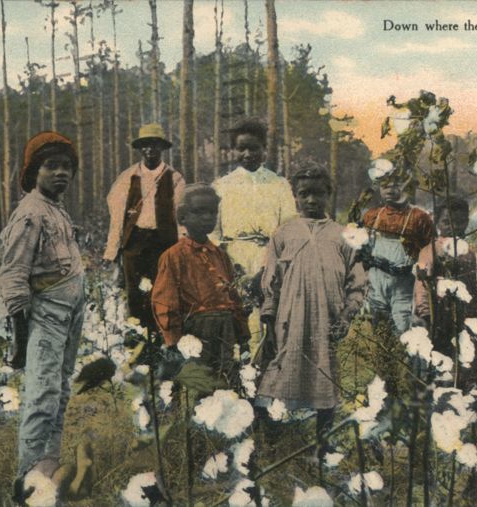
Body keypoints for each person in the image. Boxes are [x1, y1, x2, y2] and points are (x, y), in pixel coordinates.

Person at [255, 164, 366, 456]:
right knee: (279, 372)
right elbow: (271, 281)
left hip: (326, 321)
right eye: (305, 194)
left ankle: (323, 441)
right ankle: (272, 438)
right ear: (295, 196)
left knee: (325, 374)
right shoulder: (283, 234)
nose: (312, 201)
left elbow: (356, 283)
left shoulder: (342, 236)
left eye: (318, 194)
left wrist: (346, 315)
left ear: (329, 194)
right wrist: (269, 318)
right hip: (289, 320)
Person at [0, 131, 85, 500]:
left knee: (59, 391)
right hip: (45, 317)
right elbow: (13, 275)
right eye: (51, 166)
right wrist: (20, 332)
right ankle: (28, 483)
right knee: (40, 396)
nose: (60, 173)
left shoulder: (56, 209)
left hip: (68, 315)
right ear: (34, 171)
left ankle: (46, 472)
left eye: (66, 167)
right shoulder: (31, 213)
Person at [211, 118, 297, 352]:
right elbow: (214, 231)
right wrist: (228, 263)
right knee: (236, 312)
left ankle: (264, 369)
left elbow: (289, 228)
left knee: (266, 315)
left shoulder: (279, 185)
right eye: (241, 148)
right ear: (233, 151)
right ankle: (238, 370)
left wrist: (270, 265)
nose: (248, 153)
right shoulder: (222, 185)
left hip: (268, 256)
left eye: (254, 148)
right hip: (233, 257)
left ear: (264, 150)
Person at [151, 184, 250, 386]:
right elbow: (165, 300)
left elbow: (232, 296)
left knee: (225, 377)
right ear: (183, 217)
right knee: (197, 381)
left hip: (225, 329)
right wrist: (173, 340)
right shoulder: (174, 256)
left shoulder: (220, 255)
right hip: (195, 330)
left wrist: (242, 332)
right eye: (199, 211)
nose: (207, 217)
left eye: (212, 212)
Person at [103, 123, 185, 332]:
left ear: (162, 148)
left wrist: (182, 246)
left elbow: (181, 217)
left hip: (163, 242)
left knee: (162, 290)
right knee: (135, 293)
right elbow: (117, 217)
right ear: (140, 149)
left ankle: (161, 338)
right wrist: (112, 250)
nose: (150, 150)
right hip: (135, 242)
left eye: (154, 145)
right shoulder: (127, 178)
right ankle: (137, 339)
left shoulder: (174, 178)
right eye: (145, 146)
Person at [412, 198, 477, 379]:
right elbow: (422, 284)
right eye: (447, 222)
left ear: (467, 222)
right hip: (441, 313)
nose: (454, 228)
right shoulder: (430, 250)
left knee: (469, 353)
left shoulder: (467, 251)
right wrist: (425, 313)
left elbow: (473, 284)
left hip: (467, 312)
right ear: (436, 223)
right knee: (445, 356)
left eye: (460, 222)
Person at [362, 167, 433, 334]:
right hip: (376, 280)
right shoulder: (372, 216)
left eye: (396, 185)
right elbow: (362, 250)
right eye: (385, 186)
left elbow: (429, 252)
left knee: (403, 326)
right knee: (376, 325)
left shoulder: (419, 217)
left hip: (404, 282)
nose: (390, 190)